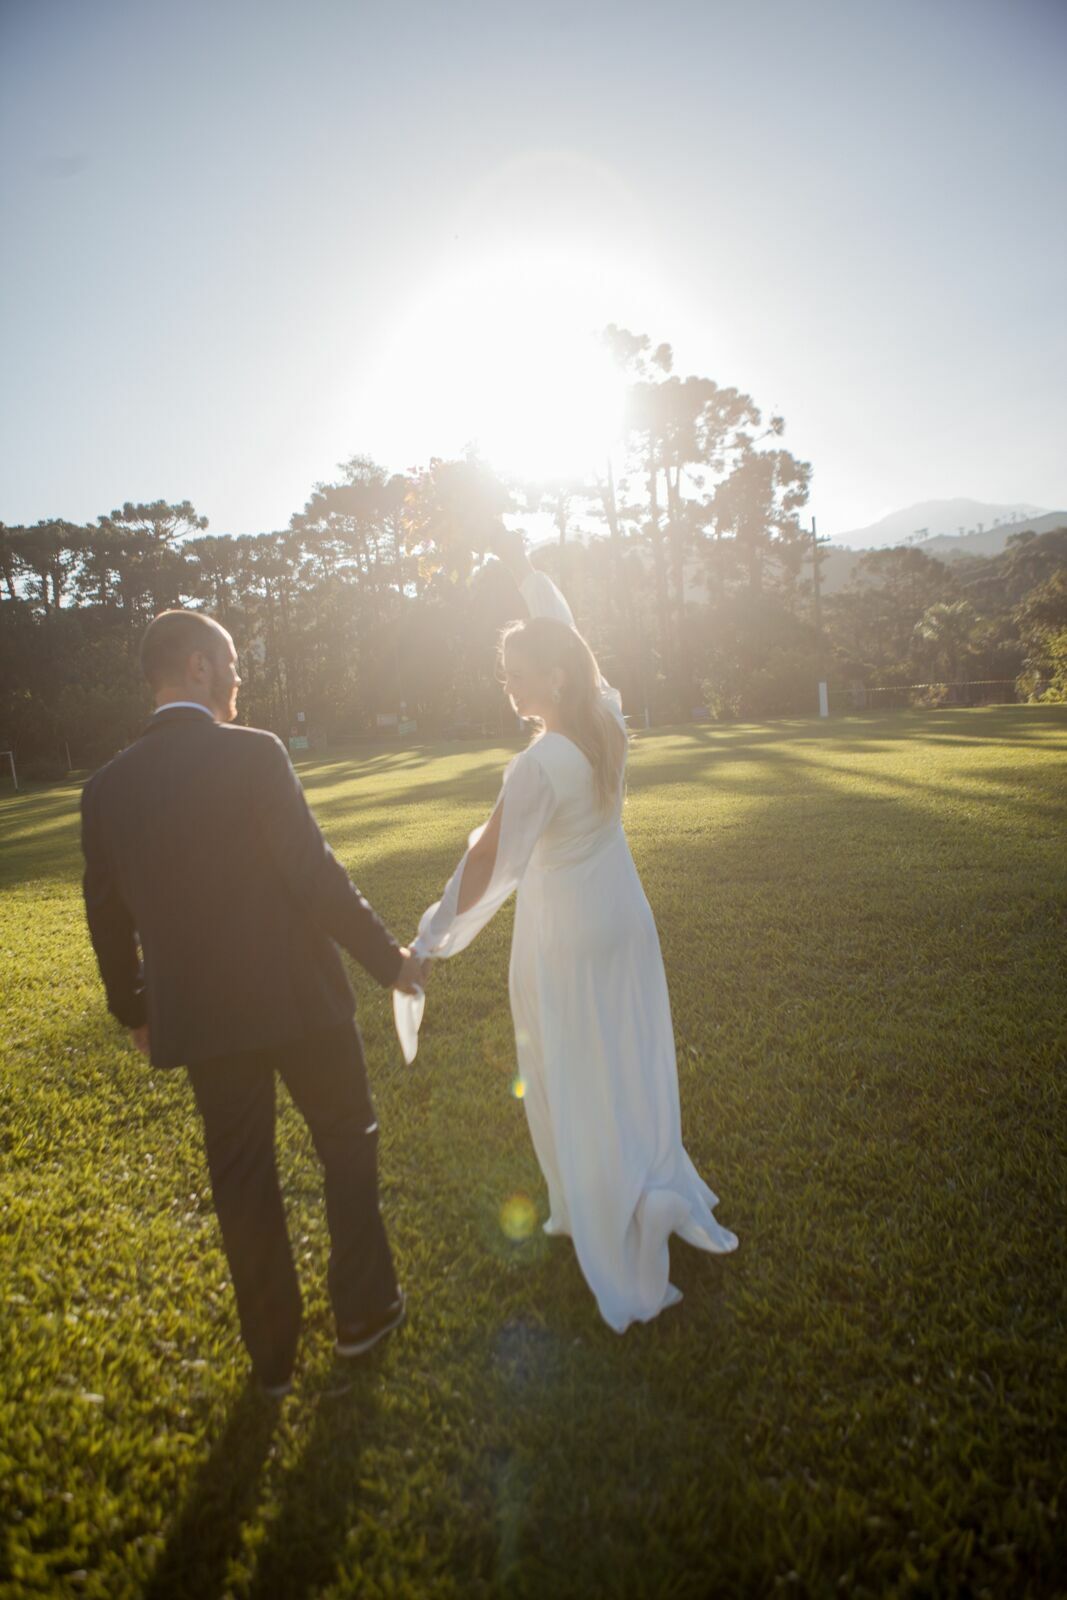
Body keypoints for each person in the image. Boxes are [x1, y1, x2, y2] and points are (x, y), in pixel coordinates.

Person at [396, 536, 738, 1332]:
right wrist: (522, 573)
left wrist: (429, 938)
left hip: (569, 936)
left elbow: (484, 859)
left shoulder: (540, 762)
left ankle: (604, 1208)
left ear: (551, 676)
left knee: (577, 1066)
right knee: (627, 1052)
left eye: (516, 674)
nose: (505, 686)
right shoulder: (605, 713)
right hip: (623, 916)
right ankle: (644, 1173)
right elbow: (562, 625)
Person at [80, 609, 424, 1395]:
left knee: (240, 1177)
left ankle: (271, 1357)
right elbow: (315, 875)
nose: (241, 679)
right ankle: (363, 1313)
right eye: (232, 662)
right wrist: (389, 963)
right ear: (199, 667)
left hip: (202, 1020)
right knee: (346, 1141)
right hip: (301, 1000)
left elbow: (105, 914)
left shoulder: (106, 788)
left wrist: (134, 1010)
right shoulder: (255, 753)